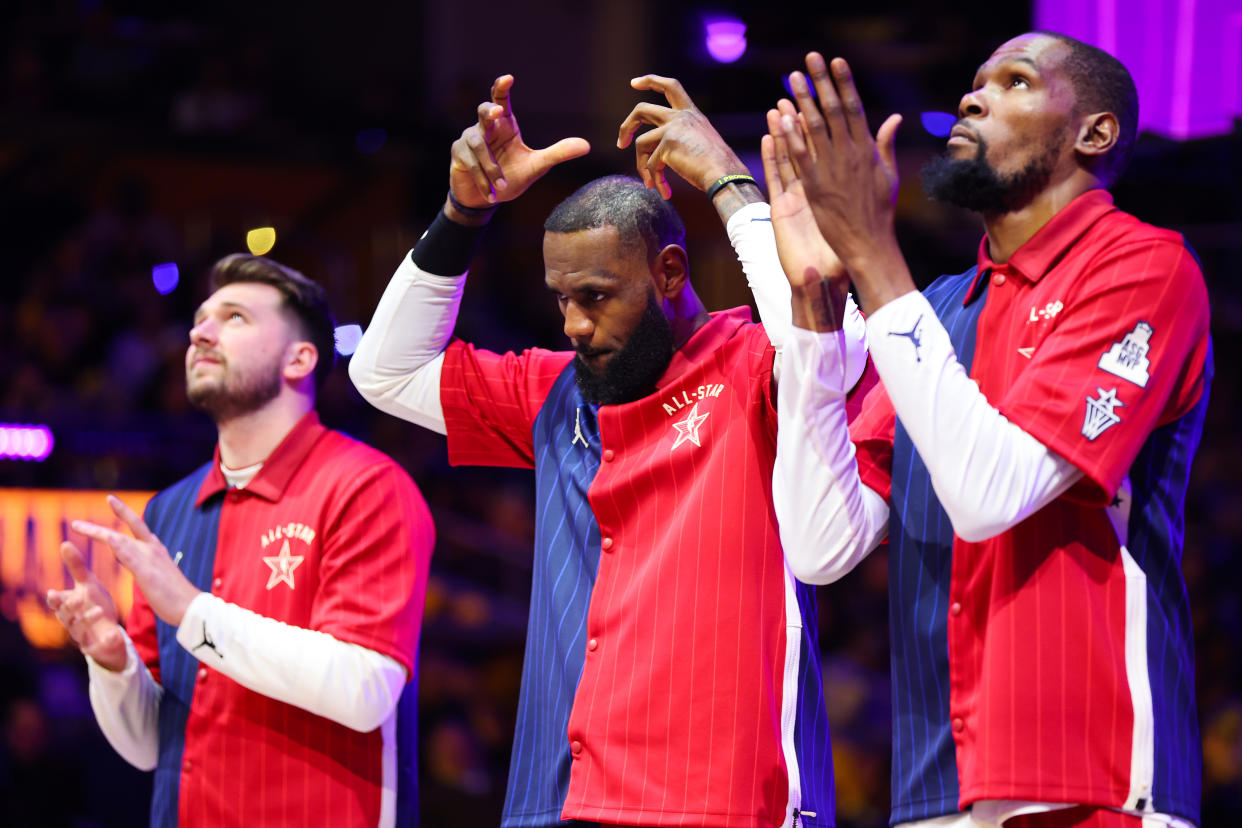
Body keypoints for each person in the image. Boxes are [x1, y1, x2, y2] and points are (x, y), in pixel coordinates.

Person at [349, 74, 870, 828]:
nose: (574, 324)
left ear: (668, 275)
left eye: (594, 295)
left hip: (720, 802)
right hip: (556, 804)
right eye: (562, 299)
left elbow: (834, 354)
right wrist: (463, 212)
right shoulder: (558, 388)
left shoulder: (753, 363)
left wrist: (727, 183)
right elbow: (383, 372)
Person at [764, 32, 1211, 828]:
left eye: (1014, 82)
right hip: (939, 779)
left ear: (1094, 134)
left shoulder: (1143, 267)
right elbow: (820, 542)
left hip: (1092, 776)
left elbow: (989, 496)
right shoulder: (936, 308)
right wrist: (814, 310)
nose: (974, 98)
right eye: (974, 83)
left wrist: (874, 256)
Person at [46, 254, 434, 828]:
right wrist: (111, 661)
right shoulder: (170, 510)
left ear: (299, 358)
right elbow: (151, 748)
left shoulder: (366, 487)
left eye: (233, 318)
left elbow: (364, 692)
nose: (199, 332)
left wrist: (195, 614)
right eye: (200, 319)